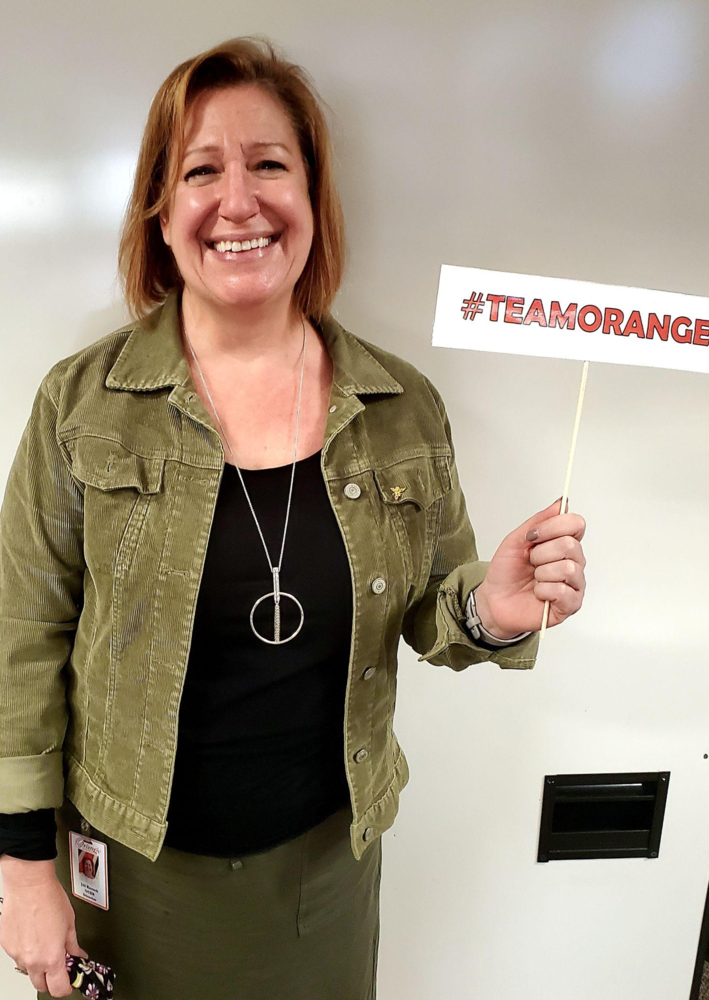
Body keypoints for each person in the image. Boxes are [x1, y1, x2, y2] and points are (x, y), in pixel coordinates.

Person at [0, 36, 586, 1000]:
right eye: (200, 170)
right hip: (131, 872)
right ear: (161, 207)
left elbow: (438, 613)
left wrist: (494, 608)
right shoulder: (80, 404)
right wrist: (25, 871)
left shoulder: (401, 409)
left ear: (313, 199)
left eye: (270, 164)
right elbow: (20, 640)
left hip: (325, 871)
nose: (238, 202)